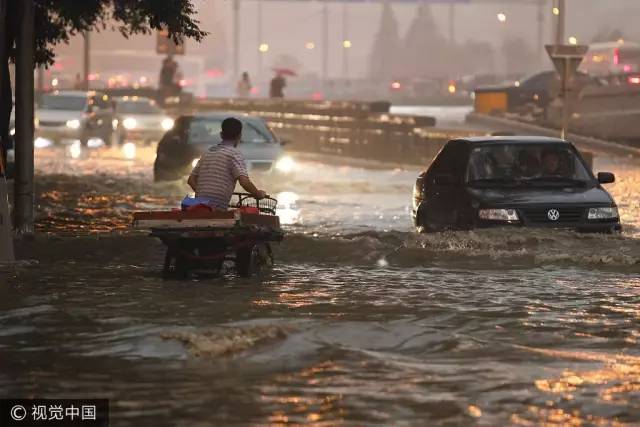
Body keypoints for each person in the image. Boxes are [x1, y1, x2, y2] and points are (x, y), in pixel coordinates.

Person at [187, 117, 267, 210]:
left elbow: (191, 180)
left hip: (199, 206)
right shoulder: (234, 154)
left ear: (221, 135)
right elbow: (244, 182)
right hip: (217, 209)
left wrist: (203, 197)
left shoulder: (208, 153)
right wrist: (258, 194)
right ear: (240, 136)